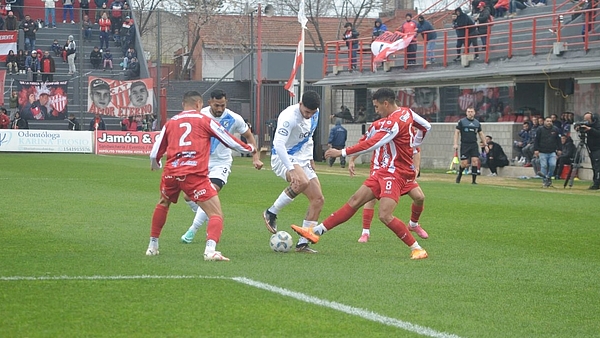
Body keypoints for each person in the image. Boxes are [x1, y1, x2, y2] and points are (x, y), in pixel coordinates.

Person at [291, 88, 429, 260]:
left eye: (377, 107)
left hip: (395, 173)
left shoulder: (392, 123)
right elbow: (426, 126)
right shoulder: (407, 113)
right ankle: (315, 232)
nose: (376, 110)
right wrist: (413, 144)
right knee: (355, 200)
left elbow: (370, 144)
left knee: (385, 215)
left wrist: (342, 153)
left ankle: (417, 248)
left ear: (386, 103)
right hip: (383, 171)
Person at [147, 91, 255, 260]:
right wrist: (250, 149)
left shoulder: (171, 122)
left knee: (163, 203)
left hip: (171, 172)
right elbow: (228, 139)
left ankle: (152, 246)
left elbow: (155, 152)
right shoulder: (205, 120)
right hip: (194, 173)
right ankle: (210, 251)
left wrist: (156, 164)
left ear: (183, 104)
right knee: (216, 213)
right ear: (199, 104)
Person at [180, 89, 263, 244]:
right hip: (201, 161)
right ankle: (207, 216)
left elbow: (249, 135)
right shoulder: (201, 114)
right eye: (217, 105)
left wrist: (255, 158)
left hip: (221, 163)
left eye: (223, 105)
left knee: (209, 193)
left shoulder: (233, 118)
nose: (220, 109)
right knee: (187, 196)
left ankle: (192, 230)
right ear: (210, 102)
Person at [353, 111, 431, 243]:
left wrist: (416, 168)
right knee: (371, 199)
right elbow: (365, 144)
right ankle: (365, 232)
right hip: (379, 168)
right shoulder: (380, 128)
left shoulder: (407, 130)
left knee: (419, 197)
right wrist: (352, 159)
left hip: (400, 171)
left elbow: (416, 149)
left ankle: (413, 224)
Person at [262, 90, 322, 253]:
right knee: (302, 181)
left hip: (302, 157)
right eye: (306, 112)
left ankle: (302, 244)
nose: (309, 115)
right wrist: (291, 169)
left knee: (318, 200)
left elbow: (309, 137)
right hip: (283, 157)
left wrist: (310, 159)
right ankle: (271, 212)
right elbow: (279, 144)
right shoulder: (289, 117)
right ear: (300, 104)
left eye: (312, 112)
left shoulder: (315, 114)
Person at [453, 106, 488, 184]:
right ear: (466, 113)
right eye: (468, 111)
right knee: (464, 164)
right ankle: (459, 174)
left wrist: (485, 145)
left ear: (474, 113)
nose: (470, 113)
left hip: (473, 144)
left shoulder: (477, 123)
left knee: (475, 161)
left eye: (471, 111)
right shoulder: (461, 122)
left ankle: (474, 181)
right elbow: (456, 132)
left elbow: (481, 134)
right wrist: (455, 143)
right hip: (465, 144)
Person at [574, 112, 600, 190]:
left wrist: (590, 129)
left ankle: (596, 184)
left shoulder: (597, 125)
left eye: (587, 120)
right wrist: (577, 127)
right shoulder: (586, 124)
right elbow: (577, 124)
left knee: (597, 167)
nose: (586, 121)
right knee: (594, 166)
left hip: (597, 148)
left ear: (592, 119)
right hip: (591, 148)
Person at [534, 117, 561, 188]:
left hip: (552, 151)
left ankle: (548, 177)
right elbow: (536, 140)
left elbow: (558, 140)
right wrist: (536, 149)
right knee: (544, 166)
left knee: (553, 165)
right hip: (542, 151)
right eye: (547, 121)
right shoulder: (540, 129)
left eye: (550, 121)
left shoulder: (555, 129)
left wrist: (559, 149)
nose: (549, 122)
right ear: (544, 122)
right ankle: (544, 181)